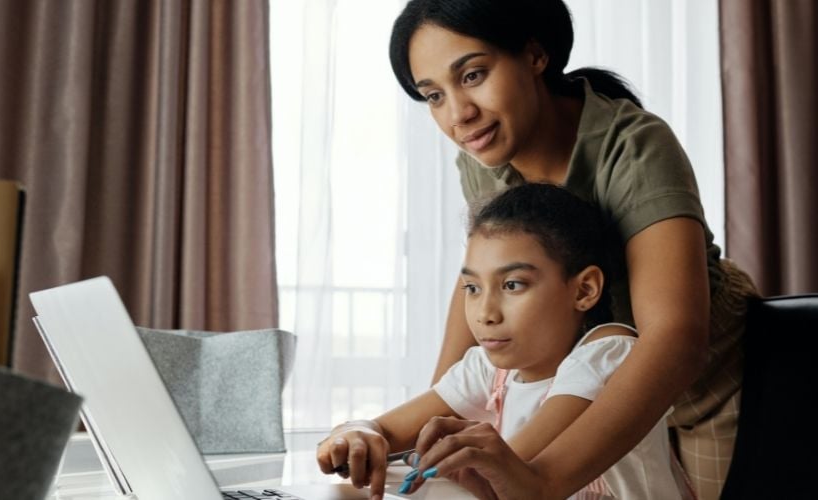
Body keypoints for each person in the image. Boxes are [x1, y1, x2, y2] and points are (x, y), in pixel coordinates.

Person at [387, 1, 760, 499]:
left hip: (702, 386)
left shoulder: (633, 146)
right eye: (433, 95)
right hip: (590, 386)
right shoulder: (482, 155)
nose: (458, 114)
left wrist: (540, 478)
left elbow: (674, 339)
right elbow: (482, 276)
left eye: (473, 75)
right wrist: (437, 424)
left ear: (535, 54)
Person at [317, 183, 688, 500]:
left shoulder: (610, 353)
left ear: (584, 289)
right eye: (473, 288)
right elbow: (384, 429)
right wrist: (357, 433)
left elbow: (510, 474)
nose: (485, 313)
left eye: (512, 285)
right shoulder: (488, 369)